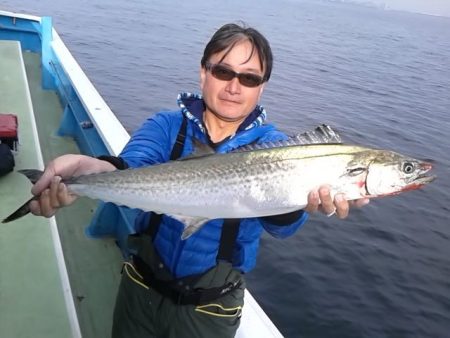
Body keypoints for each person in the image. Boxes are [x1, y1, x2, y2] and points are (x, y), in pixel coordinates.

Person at [29, 23, 369, 338]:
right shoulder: (167, 127)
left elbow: (282, 227)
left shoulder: (274, 147)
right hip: (140, 287)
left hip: (211, 309)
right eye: (223, 71)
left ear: (262, 87)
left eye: (249, 79)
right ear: (203, 72)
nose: (235, 87)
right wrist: (90, 169)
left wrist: (304, 201)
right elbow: (130, 166)